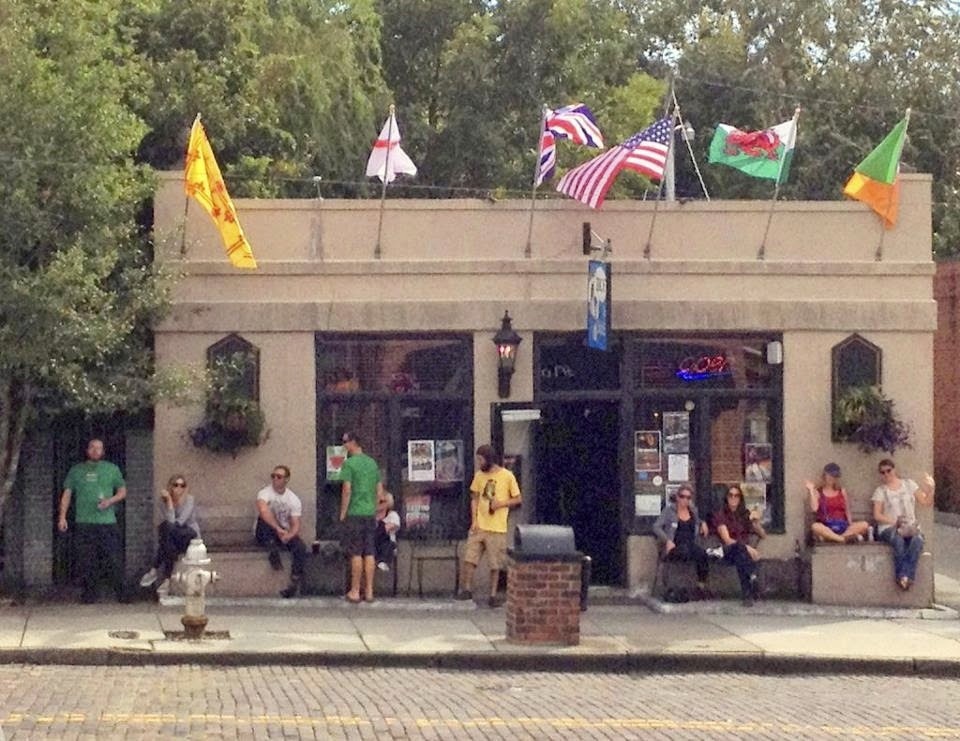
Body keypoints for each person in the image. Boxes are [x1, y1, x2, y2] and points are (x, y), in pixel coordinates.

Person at [57, 438, 128, 604]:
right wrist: (62, 517)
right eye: (92, 447)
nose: (96, 451)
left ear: (103, 451)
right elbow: (67, 494)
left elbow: (122, 491)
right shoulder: (76, 471)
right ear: (87, 450)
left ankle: (121, 593)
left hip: (107, 522)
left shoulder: (112, 469)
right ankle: (90, 594)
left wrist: (110, 501)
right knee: (87, 560)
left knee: (113, 558)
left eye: (99, 448)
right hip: (84, 521)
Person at [457, 444, 522, 607]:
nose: (479, 463)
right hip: (480, 524)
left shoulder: (507, 476)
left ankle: (493, 595)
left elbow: (517, 498)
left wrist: (501, 504)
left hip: (497, 526)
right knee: (470, 558)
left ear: (489, 459)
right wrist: (474, 520)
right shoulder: (479, 476)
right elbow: (475, 498)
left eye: (481, 459)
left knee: (495, 563)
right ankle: (467, 589)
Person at [871, 459, 935, 590]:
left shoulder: (909, 484)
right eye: (883, 472)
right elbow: (877, 515)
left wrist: (931, 489)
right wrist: (895, 522)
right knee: (898, 540)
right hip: (889, 527)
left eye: (888, 471)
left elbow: (925, 502)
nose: (886, 474)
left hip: (910, 526)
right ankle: (904, 578)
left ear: (894, 470)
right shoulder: (881, 491)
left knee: (917, 541)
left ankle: (904, 576)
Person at [339, 431, 384, 603]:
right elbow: (379, 491)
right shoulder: (372, 463)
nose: (343, 445)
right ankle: (370, 590)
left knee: (356, 552)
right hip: (369, 512)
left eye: (345, 442)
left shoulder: (349, 464)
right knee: (369, 551)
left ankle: (355, 590)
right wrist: (374, 507)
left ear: (353, 442)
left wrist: (343, 512)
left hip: (355, 512)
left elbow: (347, 490)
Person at [139, 474, 201, 591]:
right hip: (174, 538)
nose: (179, 488)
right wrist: (169, 502)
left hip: (189, 534)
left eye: (182, 485)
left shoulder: (189, 500)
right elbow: (170, 522)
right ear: (170, 487)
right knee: (167, 538)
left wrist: (169, 503)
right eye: (176, 485)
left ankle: (154, 570)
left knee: (166, 530)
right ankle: (167, 580)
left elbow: (180, 522)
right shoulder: (162, 501)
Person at [255, 465, 307, 598]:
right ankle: (273, 551)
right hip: (266, 531)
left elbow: (296, 524)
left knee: (300, 547)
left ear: (286, 479)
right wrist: (277, 528)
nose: (275, 479)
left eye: (279, 477)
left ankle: (294, 582)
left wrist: (289, 535)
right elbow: (263, 510)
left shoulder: (293, 499)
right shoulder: (264, 493)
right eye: (273, 476)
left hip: (283, 532)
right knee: (264, 521)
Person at [652, 484, 711, 599]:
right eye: (682, 496)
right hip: (675, 545)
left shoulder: (693, 511)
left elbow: (698, 520)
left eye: (688, 498)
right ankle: (677, 588)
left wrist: (703, 523)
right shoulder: (669, 511)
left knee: (702, 554)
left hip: (691, 543)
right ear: (677, 497)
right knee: (683, 552)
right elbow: (656, 526)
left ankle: (700, 587)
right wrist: (667, 540)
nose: (685, 500)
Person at [713, 484, 766, 606]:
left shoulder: (744, 514)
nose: (733, 498)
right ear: (726, 498)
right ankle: (752, 579)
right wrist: (747, 547)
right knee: (739, 550)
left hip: (741, 554)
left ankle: (747, 594)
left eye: (736, 496)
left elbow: (763, 535)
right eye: (730, 495)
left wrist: (756, 523)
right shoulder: (721, 515)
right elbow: (727, 540)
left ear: (740, 499)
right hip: (727, 552)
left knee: (741, 557)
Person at [805, 463, 870, 544]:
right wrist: (811, 490)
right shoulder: (818, 492)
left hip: (842, 525)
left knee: (864, 525)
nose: (832, 478)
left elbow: (847, 510)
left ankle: (834, 538)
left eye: (834, 476)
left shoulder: (841, 491)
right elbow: (814, 508)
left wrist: (850, 524)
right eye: (830, 475)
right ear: (824, 475)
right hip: (827, 526)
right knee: (815, 526)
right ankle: (842, 540)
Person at [374, 491, 400, 571]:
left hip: (387, 543)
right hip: (373, 541)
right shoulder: (371, 516)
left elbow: (385, 529)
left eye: (381, 502)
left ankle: (382, 560)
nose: (378, 503)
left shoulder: (393, 515)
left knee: (385, 540)